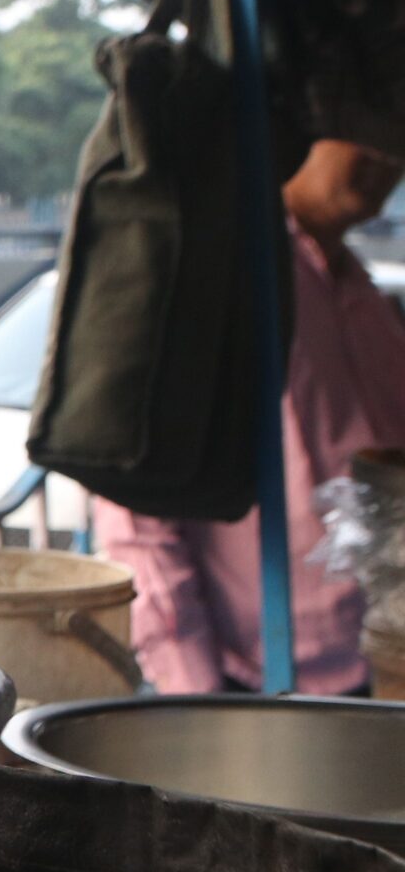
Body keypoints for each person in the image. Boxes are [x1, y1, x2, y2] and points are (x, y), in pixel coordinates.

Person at [99, 138, 405, 695]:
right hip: (261, 687)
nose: (387, 153)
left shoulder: (363, 296)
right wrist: (193, 693)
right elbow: (141, 515)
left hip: (381, 668)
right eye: (360, 129)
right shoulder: (225, 280)